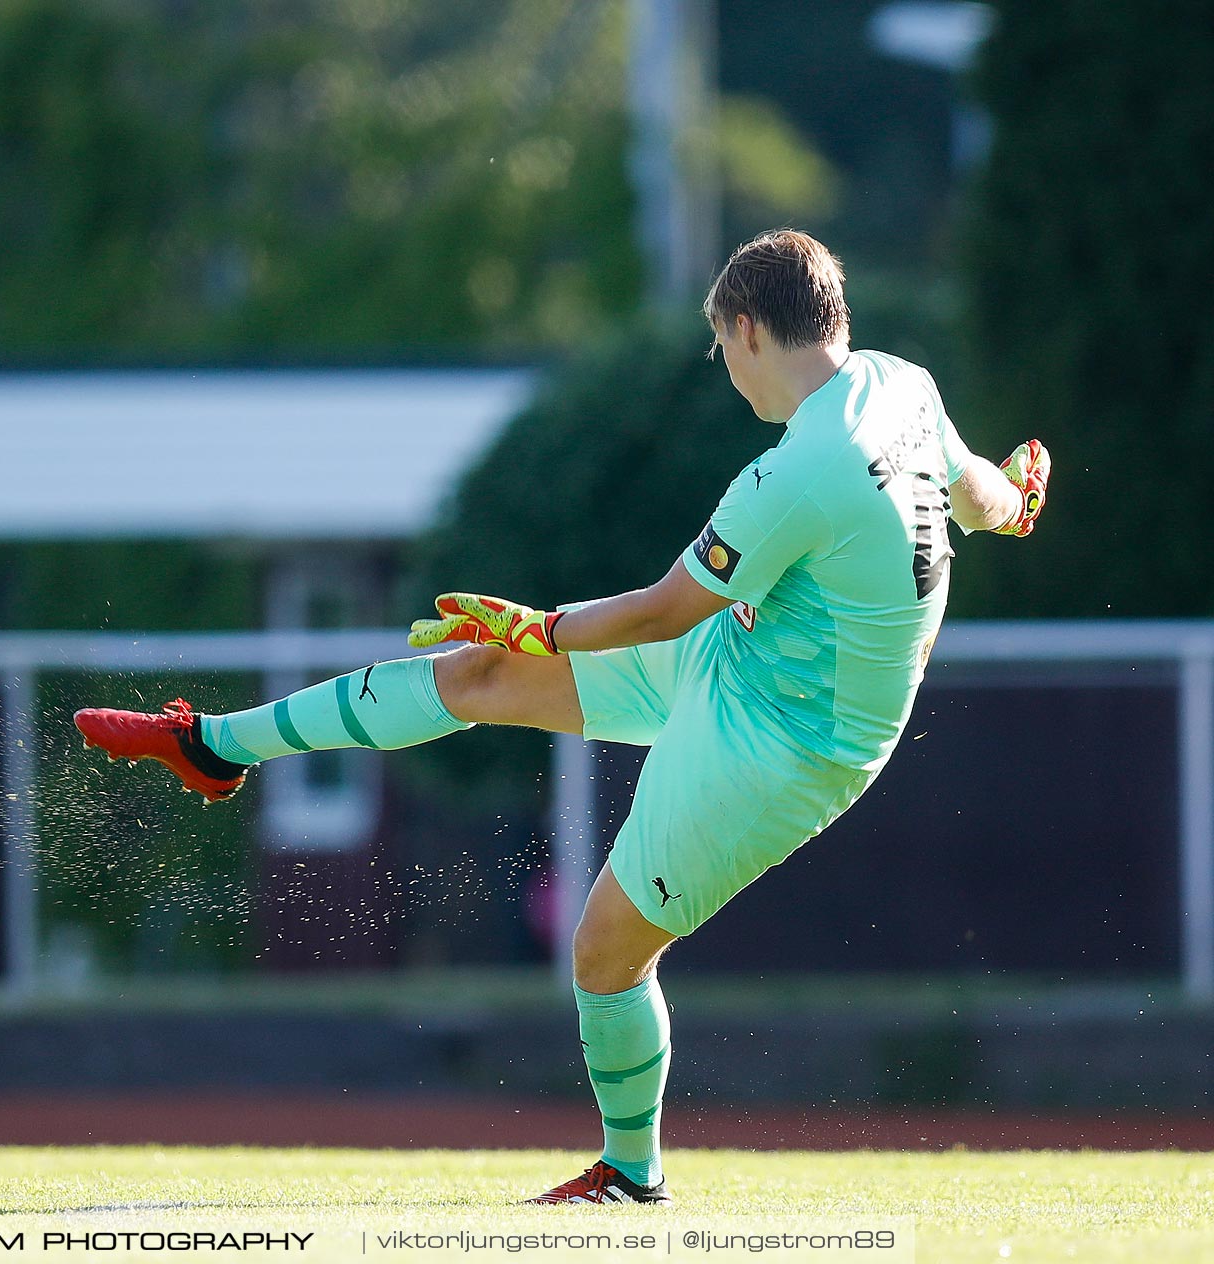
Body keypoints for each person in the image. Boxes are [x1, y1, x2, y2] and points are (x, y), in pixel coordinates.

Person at [77, 229, 1050, 1205]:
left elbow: (665, 607)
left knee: (606, 951)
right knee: (477, 674)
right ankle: (210, 744)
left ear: (748, 328)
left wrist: (543, 624)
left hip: (794, 742)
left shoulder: (796, 472)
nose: (726, 373)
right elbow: (973, 491)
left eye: (720, 348)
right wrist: (1018, 502)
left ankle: (632, 1175)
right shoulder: (901, 385)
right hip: (748, 656)